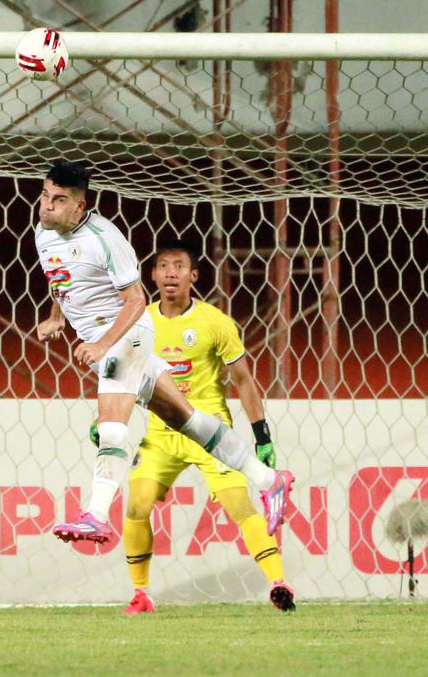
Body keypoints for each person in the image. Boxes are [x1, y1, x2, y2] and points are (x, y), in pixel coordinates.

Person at [32, 160, 293, 548]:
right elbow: (60, 279)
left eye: (59, 199)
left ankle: (96, 515)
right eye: (44, 196)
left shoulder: (107, 239)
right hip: (109, 342)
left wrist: (104, 345)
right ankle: (270, 481)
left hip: (127, 333)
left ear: (80, 207)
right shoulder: (44, 232)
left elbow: (136, 299)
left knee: (111, 423)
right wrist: (56, 317)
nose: (47, 206)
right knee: (185, 419)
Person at [115, 239, 294, 614]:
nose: (170, 273)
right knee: (136, 506)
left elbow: (243, 380)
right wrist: (107, 421)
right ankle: (141, 594)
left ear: (193, 276)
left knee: (240, 507)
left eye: (179, 266)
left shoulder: (215, 322)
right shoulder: (139, 322)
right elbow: (123, 377)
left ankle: (278, 583)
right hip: (162, 434)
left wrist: (262, 435)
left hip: (211, 432)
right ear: (152, 274)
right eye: (163, 266)